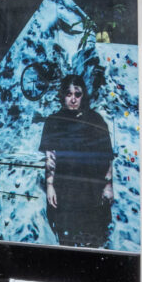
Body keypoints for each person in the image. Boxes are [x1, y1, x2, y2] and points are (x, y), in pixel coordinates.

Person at [39, 74, 114, 248]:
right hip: (65, 190)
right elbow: (51, 156)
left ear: (83, 95)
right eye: (68, 94)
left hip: (91, 190)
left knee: (93, 240)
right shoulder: (53, 121)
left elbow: (106, 156)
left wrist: (108, 185)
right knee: (67, 240)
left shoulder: (96, 121)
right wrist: (50, 186)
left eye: (77, 94)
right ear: (62, 96)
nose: (73, 99)